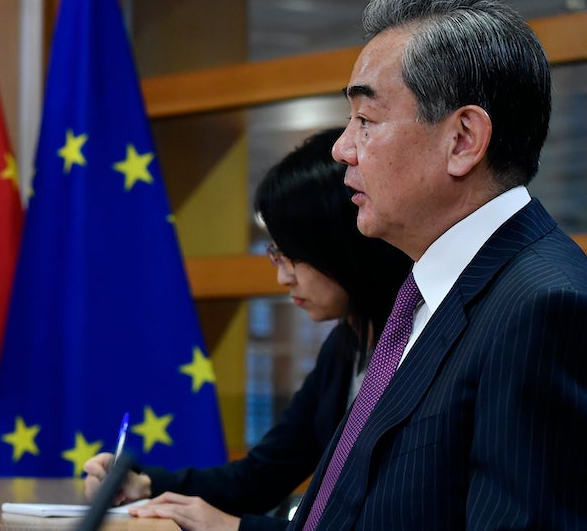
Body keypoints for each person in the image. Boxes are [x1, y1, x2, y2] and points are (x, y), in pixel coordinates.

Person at [288, 0, 587, 530]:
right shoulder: (428, 293)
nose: (341, 148)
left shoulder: (543, 308)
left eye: (366, 121)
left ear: (463, 140)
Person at [82, 127, 412, 531]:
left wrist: (233, 528)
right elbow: (260, 476)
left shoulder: (413, 344)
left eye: (291, 255)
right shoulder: (346, 345)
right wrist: (143, 483)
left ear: (341, 246)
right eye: (276, 254)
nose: (283, 278)